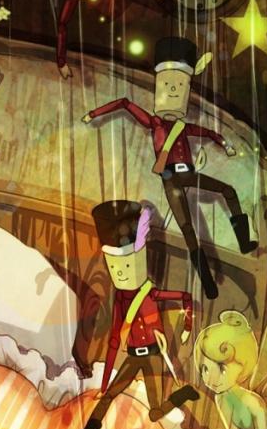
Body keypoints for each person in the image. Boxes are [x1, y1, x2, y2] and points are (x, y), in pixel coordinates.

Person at [83, 36, 257, 300]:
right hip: (171, 179)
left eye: (180, 85)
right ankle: (208, 283)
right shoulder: (154, 124)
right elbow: (124, 104)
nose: (174, 90)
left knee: (228, 191)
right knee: (188, 230)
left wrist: (226, 145)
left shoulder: (184, 127)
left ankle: (244, 241)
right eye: (167, 85)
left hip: (189, 173)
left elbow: (211, 133)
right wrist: (93, 114)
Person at [70, 199, 198, 429]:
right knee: (108, 396)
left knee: (155, 412)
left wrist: (186, 327)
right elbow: (114, 339)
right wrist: (104, 383)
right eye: (114, 266)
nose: (119, 272)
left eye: (126, 265)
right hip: (132, 356)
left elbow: (185, 297)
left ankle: (182, 394)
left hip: (153, 357)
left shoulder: (151, 293)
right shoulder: (120, 298)